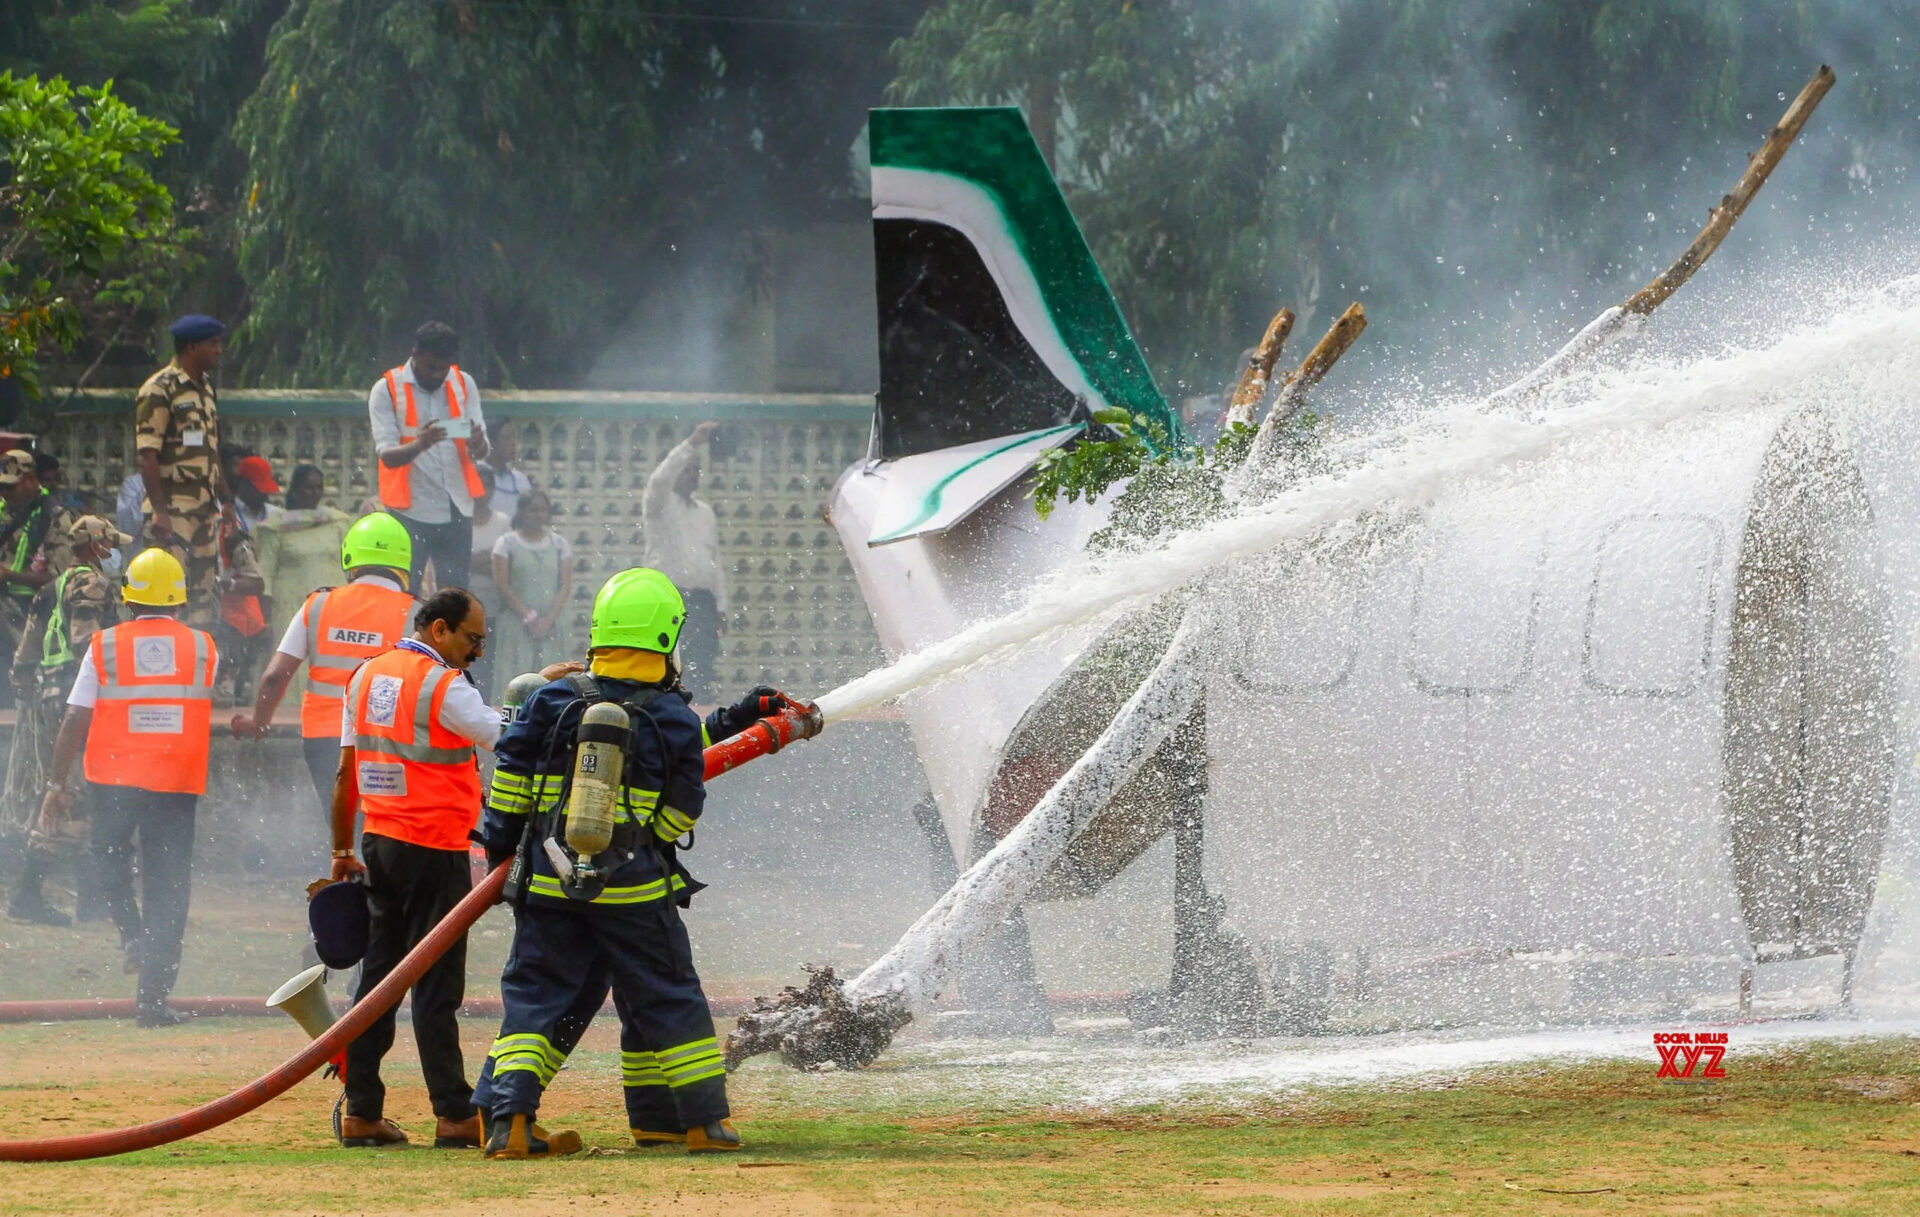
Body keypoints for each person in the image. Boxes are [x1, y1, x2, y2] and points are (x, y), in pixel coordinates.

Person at [474, 568, 788, 1158]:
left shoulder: (551, 699)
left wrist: (504, 859)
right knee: (665, 993)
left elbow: (509, 784)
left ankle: (510, 1121)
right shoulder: (668, 715)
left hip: (547, 882)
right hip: (634, 887)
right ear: (666, 638)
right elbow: (684, 804)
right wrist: (648, 847)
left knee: (537, 996)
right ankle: (699, 1121)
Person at [327, 588, 575, 1149]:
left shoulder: (366, 676)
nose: (478, 651)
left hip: (379, 843)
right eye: (473, 638)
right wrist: (546, 694)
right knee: (436, 985)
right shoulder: (441, 683)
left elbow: (347, 773)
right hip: (434, 849)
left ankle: (362, 1112)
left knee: (378, 981)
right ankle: (455, 1114)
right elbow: (508, 738)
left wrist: (342, 850)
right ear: (440, 630)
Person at [37, 548, 218, 1026]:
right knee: (169, 888)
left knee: (107, 858)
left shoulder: (104, 646)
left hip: (113, 779)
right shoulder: (204, 647)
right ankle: (153, 1002)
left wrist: (56, 783)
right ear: (179, 600)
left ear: (127, 599)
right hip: (176, 781)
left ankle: (131, 933)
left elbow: (76, 716)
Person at [233, 514, 416, 823]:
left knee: (341, 828)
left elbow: (275, 677)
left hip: (324, 739)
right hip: (385, 741)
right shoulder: (415, 613)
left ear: (350, 558)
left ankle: (346, 868)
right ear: (404, 562)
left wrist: (259, 723)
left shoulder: (318, 604)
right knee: (384, 826)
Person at [2, 516, 126, 925]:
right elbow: (86, 645)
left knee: (73, 793)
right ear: (96, 545)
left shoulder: (52, 585)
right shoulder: (92, 584)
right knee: (75, 795)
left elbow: (24, 657)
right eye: (110, 544)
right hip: (81, 703)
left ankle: (81, 897)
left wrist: (28, 688)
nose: (114, 551)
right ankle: (33, 895)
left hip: (50, 700)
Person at [367, 321, 489, 593]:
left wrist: (478, 443)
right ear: (415, 353)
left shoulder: (463, 383)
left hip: (457, 508)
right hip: (409, 511)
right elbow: (387, 455)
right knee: (404, 595)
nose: (436, 375)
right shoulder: (386, 389)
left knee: (454, 598)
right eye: (430, 367)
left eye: (442, 369)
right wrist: (422, 443)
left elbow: (482, 452)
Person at [136, 314, 234, 630]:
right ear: (192, 347)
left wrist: (226, 501)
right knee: (166, 593)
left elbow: (211, 449)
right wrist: (160, 512)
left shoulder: (205, 388)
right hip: (173, 512)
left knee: (203, 599)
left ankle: (196, 668)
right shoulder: (159, 389)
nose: (219, 351)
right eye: (213, 344)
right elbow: (147, 454)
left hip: (204, 511)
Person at [641, 423, 727, 701]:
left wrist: (721, 605)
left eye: (696, 469)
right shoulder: (660, 506)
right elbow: (658, 481)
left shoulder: (706, 513)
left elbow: (715, 561)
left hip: (701, 602)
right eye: (687, 468)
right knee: (665, 667)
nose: (692, 475)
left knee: (700, 669)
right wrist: (690, 443)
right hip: (668, 599)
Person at [255, 465, 354, 663]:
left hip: (332, 605)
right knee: (292, 661)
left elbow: (350, 566)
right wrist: (265, 621)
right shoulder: (276, 527)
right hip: (290, 606)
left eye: (318, 488)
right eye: (309, 488)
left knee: (330, 660)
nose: (314, 493)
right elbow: (265, 575)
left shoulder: (336, 522)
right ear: (295, 489)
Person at [490, 489, 571, 690]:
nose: (539, 515)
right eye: (533, 510)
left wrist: (547, 621)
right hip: (517, 625)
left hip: (551, 626)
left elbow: (565, 585)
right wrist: (530, 618)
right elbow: (502, 584)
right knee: (514, 684)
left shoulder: (560, 544)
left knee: (552, 683)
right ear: (522, 512)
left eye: (543, 510)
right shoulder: (506, 543)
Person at [466, 466, 512, 697]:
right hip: (464, 606)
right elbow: (458, 561)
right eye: (477, 483)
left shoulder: (502, 522)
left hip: (492, 607)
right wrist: (482, 560)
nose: (482, 490)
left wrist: (472, 560)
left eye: (487, 484)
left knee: (487, 662)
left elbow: (503, 563)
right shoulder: (461, 520)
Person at [480, 420, 534, 522]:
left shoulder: (521, 480)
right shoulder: (477, 476)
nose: (514, 443)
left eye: (514, 438)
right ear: (491, 443)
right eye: (507, 438)